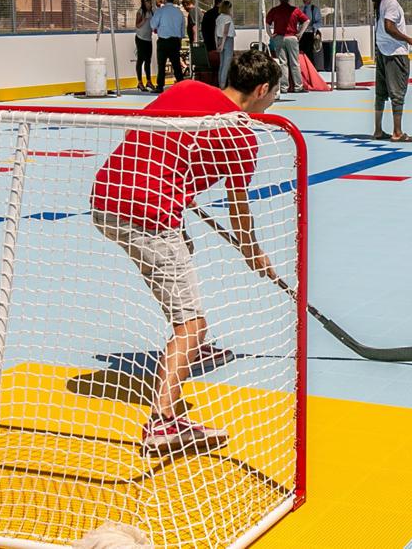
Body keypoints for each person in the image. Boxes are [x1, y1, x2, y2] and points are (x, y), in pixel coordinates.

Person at [91, 49, 282, 454]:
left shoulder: (187, 87)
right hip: (147, 212)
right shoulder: (242, 134)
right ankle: (162, 422)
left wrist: (178, 200)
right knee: (192, 325)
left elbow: (154, 143)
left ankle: (191, 347)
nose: (273, 102)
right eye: (275, 94)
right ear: (262, 90)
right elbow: (238, 207)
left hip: (105, 199)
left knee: (180, 251)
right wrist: (253, 252)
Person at [373, 0, 412, 142]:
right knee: (397, 93)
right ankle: (397, 132)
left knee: (381, 93)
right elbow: (389, 27)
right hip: (395, 53)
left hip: (383, 51)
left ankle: (378, 130)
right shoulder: (392, 3)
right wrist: (409, 39)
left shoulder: (383, 0)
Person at [266, 0, 309, 93]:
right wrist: (300, 33)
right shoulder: (295, 10)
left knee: (282, 63)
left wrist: (270, 34)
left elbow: (267, 22)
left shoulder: (274, 10)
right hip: (292, 38)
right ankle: (298, 86)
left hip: (279, 38)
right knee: (295, 63)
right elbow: (307, 21)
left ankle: (284, 87)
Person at [150, 0, 186, 93]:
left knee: (161, 65)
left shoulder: (160, 11)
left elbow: (153, 25)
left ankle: (160, 86)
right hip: (175, 41)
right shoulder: (178, 12)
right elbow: (183, 29)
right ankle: (181, 85)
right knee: (176, 65)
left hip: (163, 41)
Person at [135, 0, 155, 92]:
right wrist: (144, 20)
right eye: (147, 0)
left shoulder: (152, 11)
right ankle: (139, 82)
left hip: (148, 39)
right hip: (140, 38)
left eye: (150, 0)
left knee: (148, 61)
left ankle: (148, 81)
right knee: (140, 60)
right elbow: (137, 25)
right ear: (143, 2)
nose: (149, 2)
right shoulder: (141, 12)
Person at [299, 0, 323, 70]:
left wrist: (313, 27)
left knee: (309, 54)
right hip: (300, 34)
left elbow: (319, 22)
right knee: (300, 54)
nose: (306, 0)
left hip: (309, 34)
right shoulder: (300, 9)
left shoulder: (314, 9)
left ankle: (311, 70)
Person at [215, 0, 236, 88]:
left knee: (222, 64)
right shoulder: (227, 18)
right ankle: (223, 85)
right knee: (226, 64)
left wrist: (217, 43)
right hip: (227, 40)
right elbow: (226, 32)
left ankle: (220, 83)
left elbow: (215, 31)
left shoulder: (219, 17)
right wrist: (223, 44)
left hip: (220, 39)